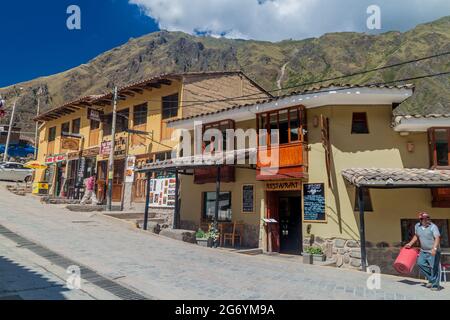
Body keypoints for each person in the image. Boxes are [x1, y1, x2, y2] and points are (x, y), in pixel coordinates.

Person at [405, 212, 441, 290]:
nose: (427, 220)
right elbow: (416, 236)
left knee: (434, 268)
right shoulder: (417, 226)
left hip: (433, 251)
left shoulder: (433, 227)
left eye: (428, 218)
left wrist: (434, 249)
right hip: (423, 251)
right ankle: (432, 279)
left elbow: (437, 238)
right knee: (420, 263)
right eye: (425, 219)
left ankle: (435, 285)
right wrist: (410, 243)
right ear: (421, 220)